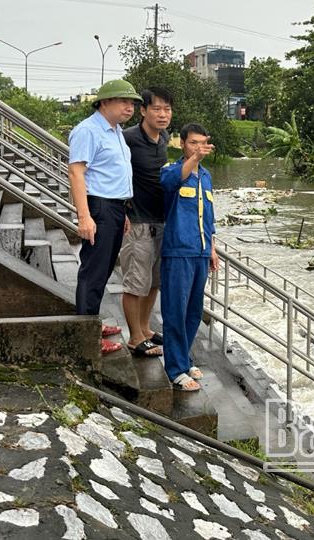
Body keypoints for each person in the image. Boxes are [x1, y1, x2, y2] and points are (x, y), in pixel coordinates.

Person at [68, 79, 142, 355]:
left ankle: (92, 323)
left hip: (114, 207)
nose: (130, 107)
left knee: (104, 268)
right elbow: (77, 172)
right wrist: (84, 217)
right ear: (104, 102)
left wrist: (122, 209)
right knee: (94, 270)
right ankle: (86, 337)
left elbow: (113, 173)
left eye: (133, 103)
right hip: (98, 207)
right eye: (124, 101)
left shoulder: (115, 131)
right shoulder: (88, 131)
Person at [159, 123, 219, 391]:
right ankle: (176, 369)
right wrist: (194, 159)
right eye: (193, 143)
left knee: (193, 311)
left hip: (200, 251)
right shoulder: (171, 171)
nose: (198, 148)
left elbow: (208, 216)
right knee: (175, 310)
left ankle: (184, 359)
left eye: (202, 143)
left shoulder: (205, 176)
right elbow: (171, 183)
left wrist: (212, 248)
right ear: (182, 144)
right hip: (178, 251)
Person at [119, 87, 173, 357]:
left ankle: (145, 328)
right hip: (138, 220)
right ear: (143, 111)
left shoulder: (163, 137)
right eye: (157, 109)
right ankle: (134, 337)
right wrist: (123, 209)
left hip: (161, 220)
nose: (163, 115)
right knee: (135, 281)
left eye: (167, 109)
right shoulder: (127, 138)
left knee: (153, 281)